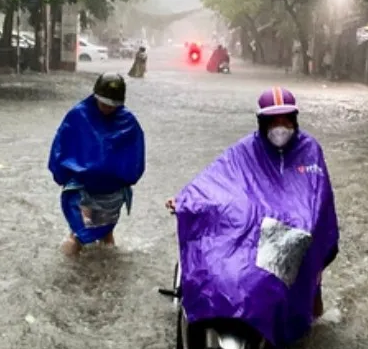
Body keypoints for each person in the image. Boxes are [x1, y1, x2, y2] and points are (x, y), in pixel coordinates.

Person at [167, 86, 339, 320]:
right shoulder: (247, 150)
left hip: (299, 234)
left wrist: (305, 226)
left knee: (311, 288)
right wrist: (186, 200)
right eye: (273, 120)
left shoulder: (309, 150)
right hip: (260, 228)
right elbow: (216, 179)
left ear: (293, 119)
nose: (280, 127)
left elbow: (320, 196)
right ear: (262, 121)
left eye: (285, 119)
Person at [49, 73, 146, 255]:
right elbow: (61, 146)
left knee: (106, 232)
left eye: (112, 106)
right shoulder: (78, 116)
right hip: (83, 188)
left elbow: (136, 155)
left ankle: (101, 270)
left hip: (111, 193)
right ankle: (72, 271)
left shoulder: (128, 122)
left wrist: (127, 179)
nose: (108, 109)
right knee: (79, 233)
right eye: (104, 104)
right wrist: (61, 176)